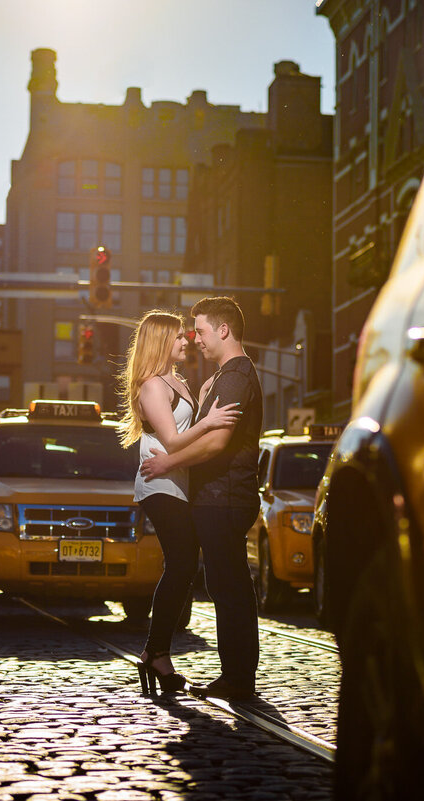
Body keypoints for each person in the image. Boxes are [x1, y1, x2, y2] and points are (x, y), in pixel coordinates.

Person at [140, 296, 264, 700]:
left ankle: (234, 676)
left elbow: (215, 443)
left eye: (200, 331)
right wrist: (206, 407)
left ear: (223, 330)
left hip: (222, 496)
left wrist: (168, 461)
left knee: (223, 586)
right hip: (201, 494)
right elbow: (192, 433)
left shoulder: (233, 377)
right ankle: (169, 655)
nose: (194, 340)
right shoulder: (220, 378)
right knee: (213, 580)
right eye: (185, 334)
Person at [118, 310, 241, 692]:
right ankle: (156, 653)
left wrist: (202, 399)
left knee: (184, 566)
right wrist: (210, 421)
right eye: (178, 337)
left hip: (178, 482)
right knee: (183, 562)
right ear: (159, 341)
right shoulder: (152, 385)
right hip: (160, 481)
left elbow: (184, 425)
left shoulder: (177, 381)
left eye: (187, 336)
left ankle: (156, 652)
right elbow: (172, 442)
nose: (186, 341)